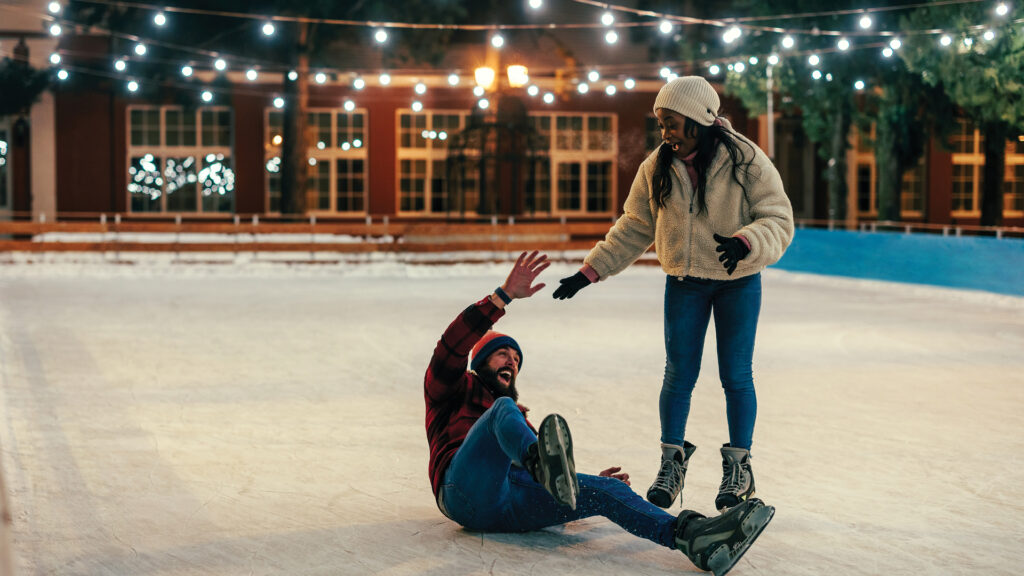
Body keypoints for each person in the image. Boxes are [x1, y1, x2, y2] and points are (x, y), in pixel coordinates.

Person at [424, 250, 774, 575]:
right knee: (503, 409)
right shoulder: (452, 390)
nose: (511, 363)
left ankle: (695, 538)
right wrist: (503, 296)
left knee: (608, 491)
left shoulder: (517, 419)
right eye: (502, 355)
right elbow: (451, 344)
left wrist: (582, 479)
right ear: (479, 361)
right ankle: (546, 468)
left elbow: (527, 467)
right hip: (463, 491)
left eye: (516, 360)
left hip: (512, 503)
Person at [552, 76, 795, 513]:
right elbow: (634, 226)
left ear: (700, 121)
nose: (665, 133)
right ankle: (672, 462)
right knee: (678, 375)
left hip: (737, 282)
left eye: (671, 123)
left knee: (736, 376)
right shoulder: (657, 166)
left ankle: (739, 466)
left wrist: (745, 241)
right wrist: (590, 271)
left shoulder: (746, 160)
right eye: (660, 124)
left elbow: (778, 217)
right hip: (684, 282)